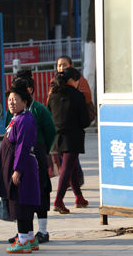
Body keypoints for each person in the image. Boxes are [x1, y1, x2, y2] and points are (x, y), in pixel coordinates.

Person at [6, 70, 56, 244]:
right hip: (17, 156)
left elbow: (51, 132)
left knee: (41, 191)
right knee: (21, 195)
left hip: (36, 155)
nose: (13, 100)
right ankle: (25, 231)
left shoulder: (38, 110)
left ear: (29, 91)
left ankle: (42, 230)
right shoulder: (14, 111)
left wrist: (43, 150)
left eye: (19, 92)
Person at [0, 79, 40, 253]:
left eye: (16, 100)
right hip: (19, 167)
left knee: (21, 204)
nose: (12, 103)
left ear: (25, 102)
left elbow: (22, 146)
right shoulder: (17, 118)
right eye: (10, 100)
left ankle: (23, 240)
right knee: (23, 203)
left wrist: (17, 170)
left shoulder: (25, 120)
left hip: (23, 168)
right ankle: (29, 238)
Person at [47, 67, 90, 214]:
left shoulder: (53, 95)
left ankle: (79, 197)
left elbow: (48, 114)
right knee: (66, 169)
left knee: (70, 168)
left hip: (56, 137)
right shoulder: (78, 96)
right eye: (78, 80)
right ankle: (58, 200)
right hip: (72, 138)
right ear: (73, 80)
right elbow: (85, 121)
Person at [53, 55, 94, 186]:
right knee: (66, 158)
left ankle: (62, 195)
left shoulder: (78, 80)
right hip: (59, 126)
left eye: (64, 65)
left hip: (73, 126)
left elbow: (86, 97)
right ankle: (78, 192)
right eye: (59, 65)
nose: (61, 68)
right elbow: (50, 100)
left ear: (70, 65)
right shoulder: (55, 82)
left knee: (70, 158)